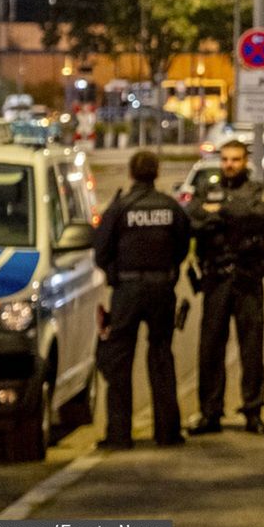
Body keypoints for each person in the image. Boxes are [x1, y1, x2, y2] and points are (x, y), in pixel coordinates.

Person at [93, 149, 192, 450]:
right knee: (161, 356)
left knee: (120, 361)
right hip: (161, 288)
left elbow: (101, 252)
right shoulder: (170, 207)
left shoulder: (120, 208)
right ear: (157, 173)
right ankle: (167, 432)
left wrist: (117, 273)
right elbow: (183, 246)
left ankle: (119, 435)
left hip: (128, 289)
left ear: (131, 173)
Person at [188, 139, 264, 435]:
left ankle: (253, 411)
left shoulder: (257, 190)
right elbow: (194, 220)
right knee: (210, 347)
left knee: (251, 348)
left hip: (248, 278)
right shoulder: (206, 189)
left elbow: (259, 218)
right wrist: (231, 213)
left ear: (245, 161)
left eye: (235, 159)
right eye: (225, 159)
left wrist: (220, 211)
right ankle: (210, 413)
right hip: (216, 278)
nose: (229, 164)